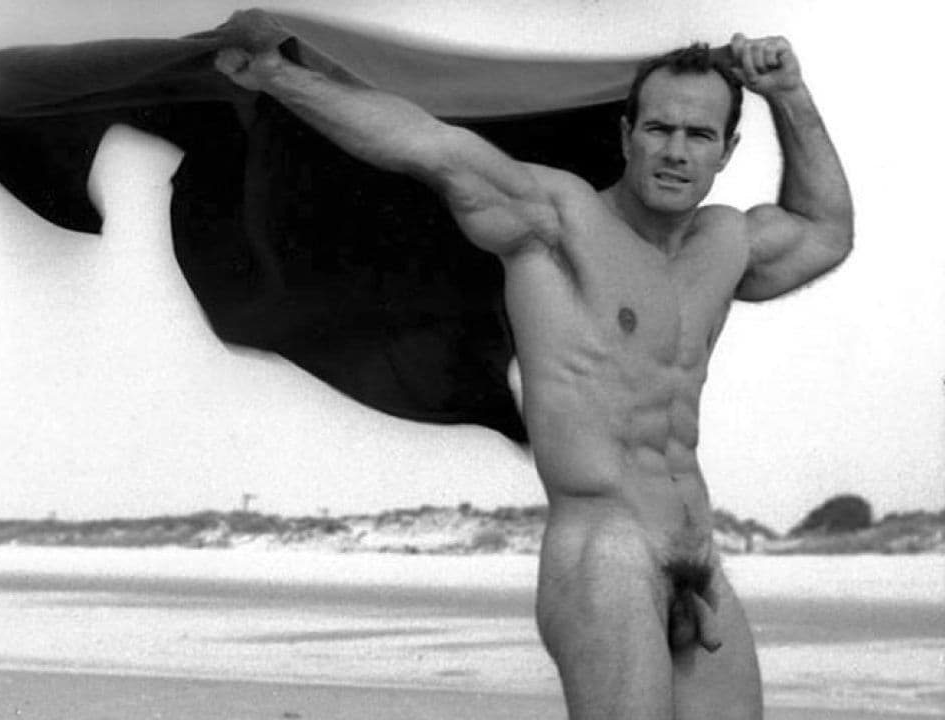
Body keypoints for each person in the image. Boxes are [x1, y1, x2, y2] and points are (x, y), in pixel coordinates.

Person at [214, 11, 853, 720]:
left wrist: (790, 95)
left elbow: (825, 231)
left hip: (698, 556)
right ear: (626, 136)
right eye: (658, 129)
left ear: (727, 150)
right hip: (605, 552)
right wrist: (276, 75)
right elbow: (430, 146)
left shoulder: (726, 242)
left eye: (699, 135)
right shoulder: (557, 221)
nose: (676, 151)